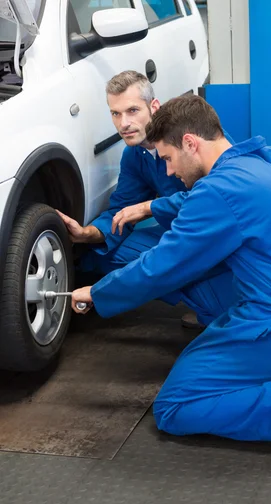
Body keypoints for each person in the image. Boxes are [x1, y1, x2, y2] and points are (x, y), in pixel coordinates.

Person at [71, 96, 271, 460]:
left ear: (190, 143)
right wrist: (152, 206)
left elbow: (161, 267)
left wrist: (98, 292)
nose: (167, 172)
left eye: (167, 158)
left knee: (174, 406)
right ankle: (269, 366)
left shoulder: (217, 192)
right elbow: (197, 204)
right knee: (204, 282)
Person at [57, 70, 233, 329]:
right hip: (178, 233)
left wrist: (149, 207)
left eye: (132, 111)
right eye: (115, 114)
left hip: (216, 237)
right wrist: (86, 233)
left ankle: (214, 302)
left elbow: (221, 196)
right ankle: (197, 295)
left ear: (154, 107)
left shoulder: (195, 138)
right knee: (101, 257)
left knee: (186, 274)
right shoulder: (135, 155)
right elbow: (122, 209)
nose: (123, 123)